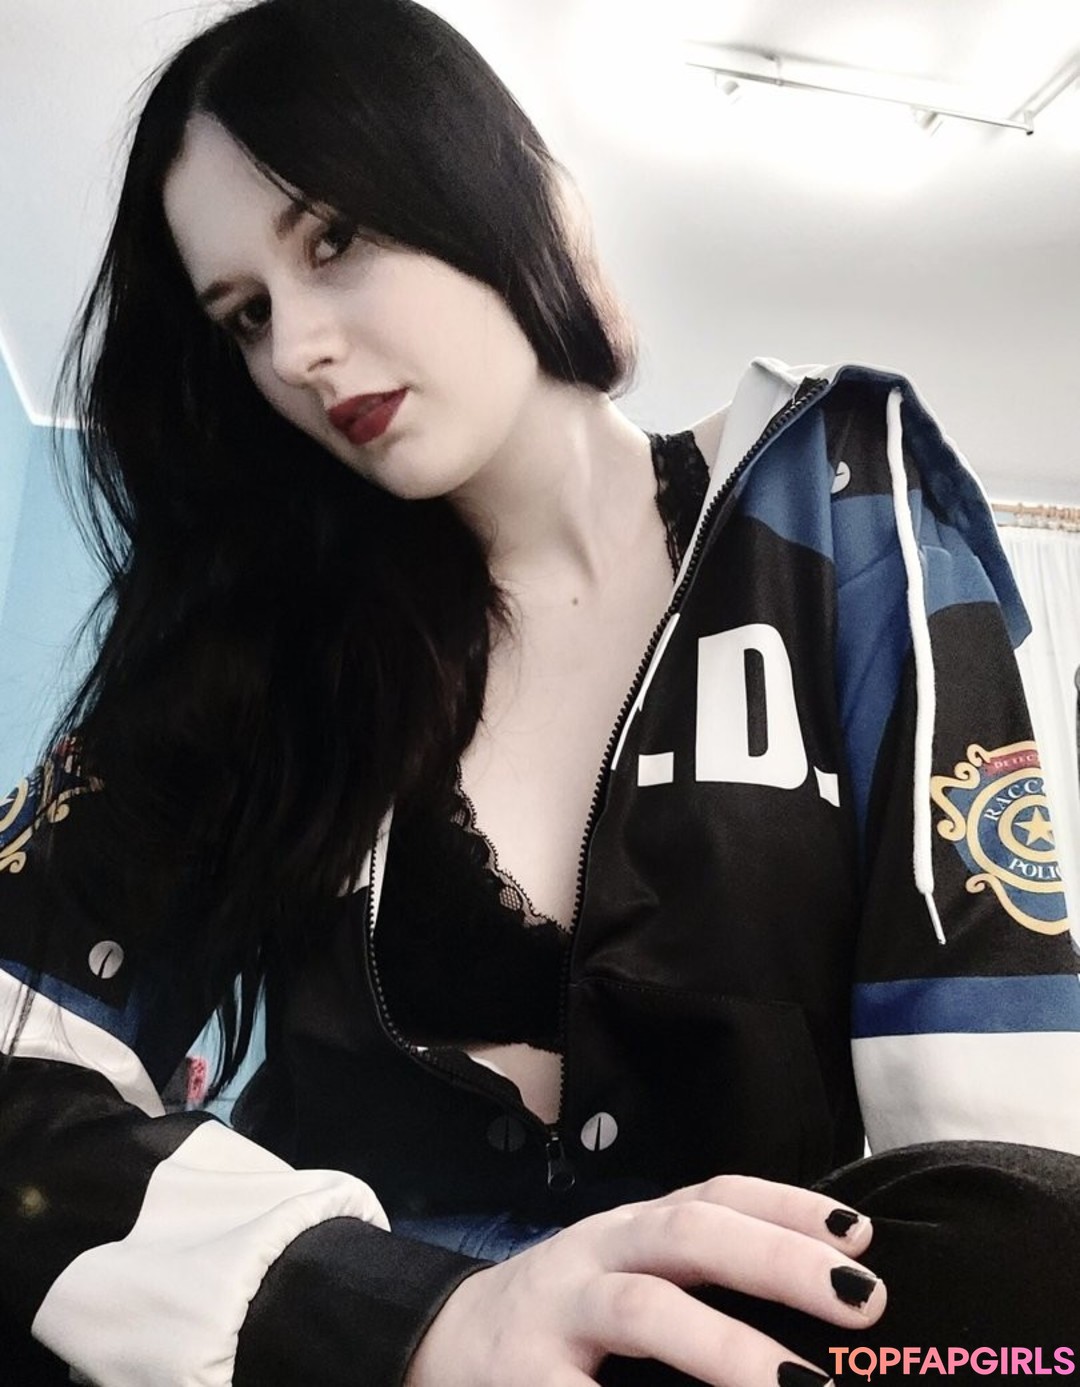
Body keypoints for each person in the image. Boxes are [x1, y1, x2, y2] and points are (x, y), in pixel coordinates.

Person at [2, 1, 1079, 1384]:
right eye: (246, 316)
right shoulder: (257, 648)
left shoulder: (839, 505)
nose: (299, 350)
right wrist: (410, 1318)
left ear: (492, 184)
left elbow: (1006, 1169)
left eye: (333, 240)